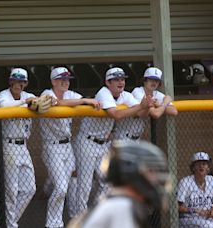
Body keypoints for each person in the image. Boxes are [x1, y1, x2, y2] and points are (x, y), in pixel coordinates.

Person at [75, 67, 153, 215]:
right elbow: (116, 115)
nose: (120, 82)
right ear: (108, 82)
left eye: (122, 79)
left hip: (103, 144)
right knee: (85, 185)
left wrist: (146, 106)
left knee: (108, 183)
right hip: (87, 142)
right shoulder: (104, 93)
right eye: (116, 79)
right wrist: (140, 107)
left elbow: (141, 113)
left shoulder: (125, 95)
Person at [40, 66, 100, 228]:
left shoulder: (71, 94)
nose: (65, 82)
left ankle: (66, 219)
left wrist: (87, 100)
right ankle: (53, 224)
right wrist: (84, 100)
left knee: (65, 187)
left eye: (67, 79)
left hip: (67, 146)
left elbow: (89, 103)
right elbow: (59, 103)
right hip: (52, 146)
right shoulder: (47, 93)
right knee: (60, 187)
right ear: (53, 81)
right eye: (61, 79)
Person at [69, 140, 171, 228]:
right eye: (151, 172)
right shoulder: (121, 207)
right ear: (131, 171)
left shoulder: (111, 203)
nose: (156, 179)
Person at [0, 68, 37, 228]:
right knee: (11, 190)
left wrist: (35, 101)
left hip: (23, 146)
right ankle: (10, 224)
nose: (18, 84)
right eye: (16, 81)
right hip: (9, 145)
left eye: (22, 81)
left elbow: (42, 102)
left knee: (30, 189)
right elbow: (4, 106)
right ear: (10, 81)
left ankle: (9, 222)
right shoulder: (4, 95)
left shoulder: (29, 96)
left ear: (26, 83)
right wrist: (24, 103)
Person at [112, 67, 178, 141]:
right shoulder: (137, 92)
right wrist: (165, 103)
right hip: (122, 136)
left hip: (136, 138)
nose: (154, 83)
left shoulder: (157, 94)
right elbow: (155, 114)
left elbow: (174, 111)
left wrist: (160, 105)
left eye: (156, 80)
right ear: (145, 81)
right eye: (151, 80)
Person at [177, 152, 213, 227]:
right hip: (189, 218)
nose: (201, 166)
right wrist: (195, 210)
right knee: (207, 226)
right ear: (193, 167)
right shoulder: (185, 182)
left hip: (208, 218)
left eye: (204, 164)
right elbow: (177, 206)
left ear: (208, 168)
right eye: (198, 164)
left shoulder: (211, 180)